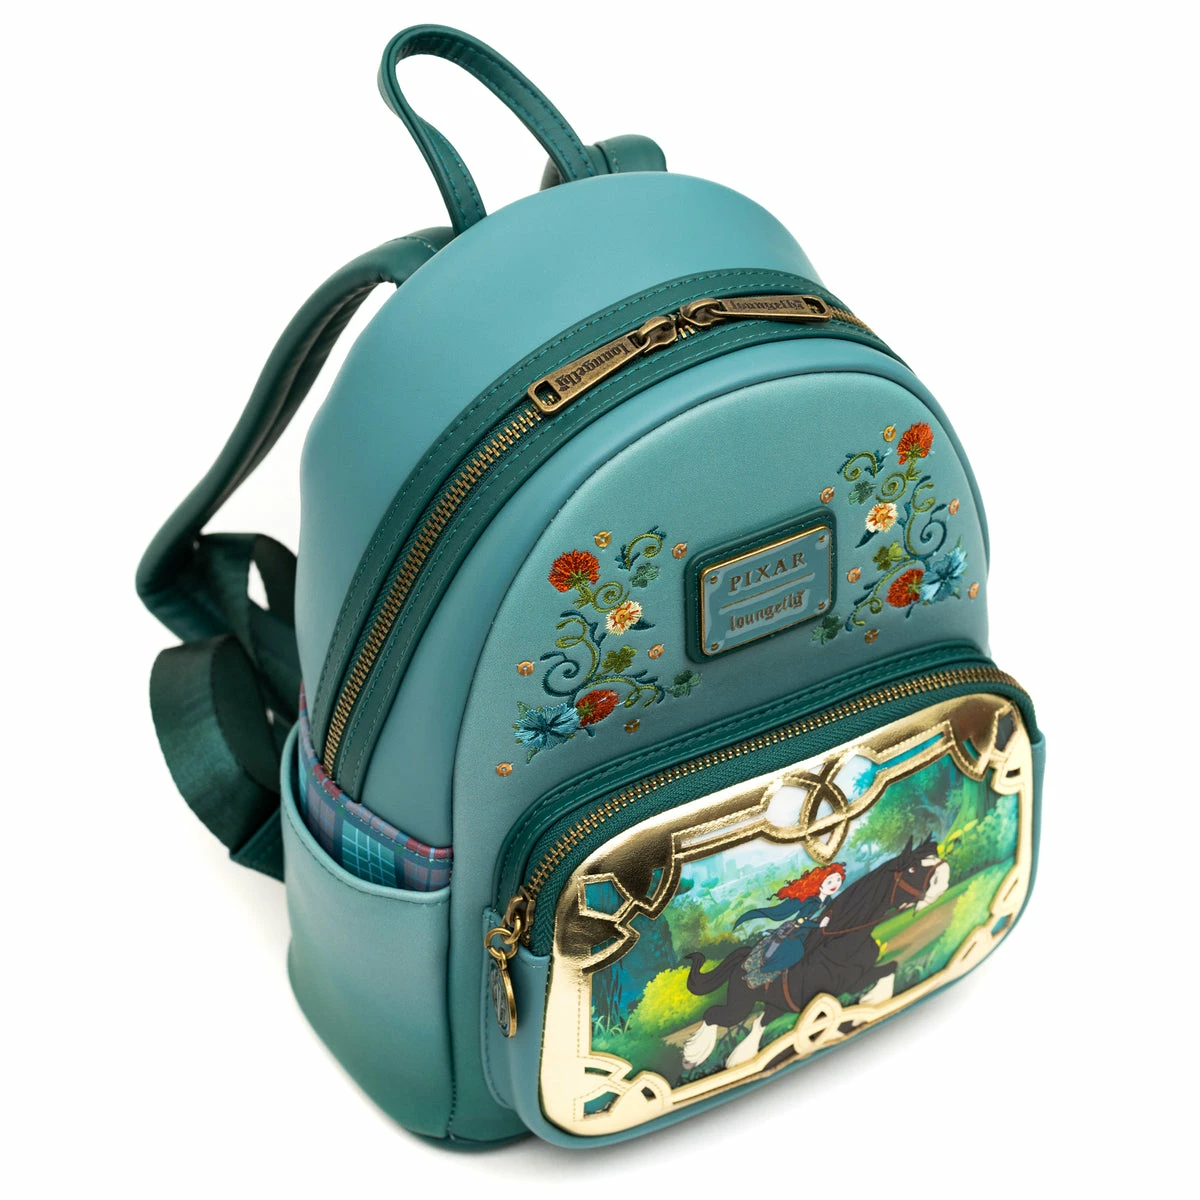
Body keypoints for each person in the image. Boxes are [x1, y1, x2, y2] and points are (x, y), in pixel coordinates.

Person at [735, 862, 846, 988]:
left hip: (811, 931)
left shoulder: (828, 901)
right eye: (829, 882)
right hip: (795, 931)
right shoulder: (811, 902)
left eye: (838, 879)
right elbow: (800, 921)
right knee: (796, 953)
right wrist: (818, 925)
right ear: (819, 883)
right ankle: (762, 970)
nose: (835, 884)